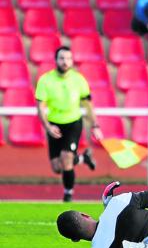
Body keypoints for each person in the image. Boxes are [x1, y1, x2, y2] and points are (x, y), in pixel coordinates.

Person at [35, 47, 102, 202]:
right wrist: (48, 126)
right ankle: (83, 159)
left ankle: (68, 195)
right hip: (54, 125)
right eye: (62, 58)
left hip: (73, 123)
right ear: (56, 60)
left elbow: (87, 105)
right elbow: (40, 107)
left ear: (72, 61)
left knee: (66, 158)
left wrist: (95, 125)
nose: (65, 62)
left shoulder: (79, 80)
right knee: (57, 167)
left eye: (68, 59)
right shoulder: (46, 80)